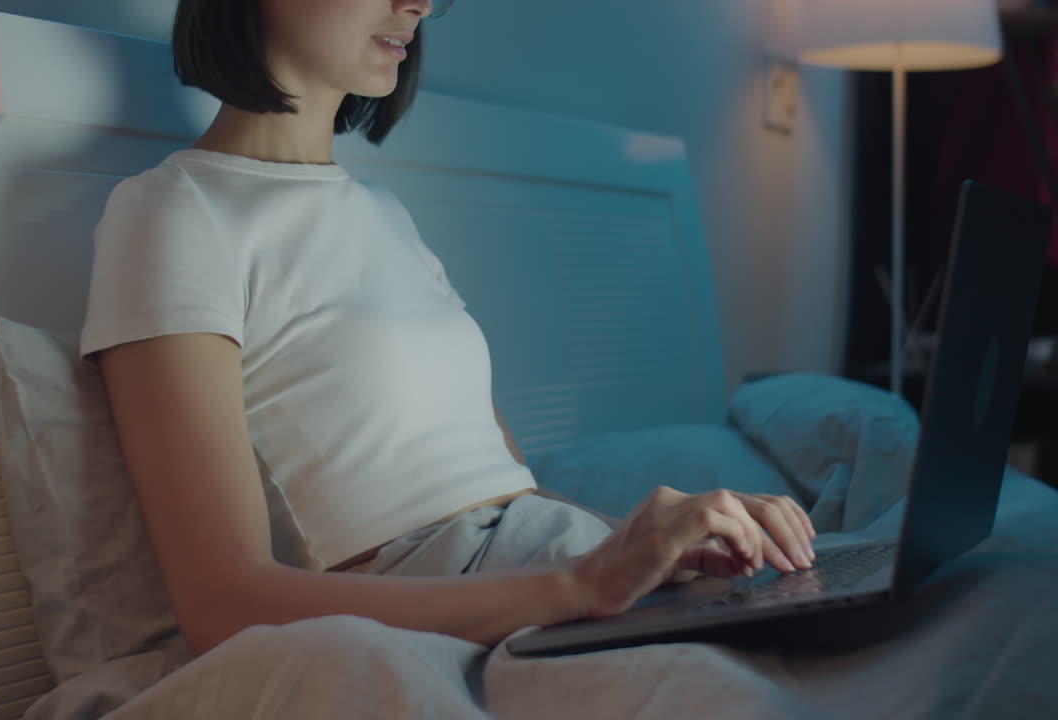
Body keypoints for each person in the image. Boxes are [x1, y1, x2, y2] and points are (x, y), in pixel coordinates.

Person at [80, 0, 817, 663]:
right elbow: (225, 604)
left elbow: (509, 497)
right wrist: (586, 582)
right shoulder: (174, 212)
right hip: (468, 611)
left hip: (544, 570)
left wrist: (666, 545)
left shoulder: (384, 214)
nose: (420, 5)